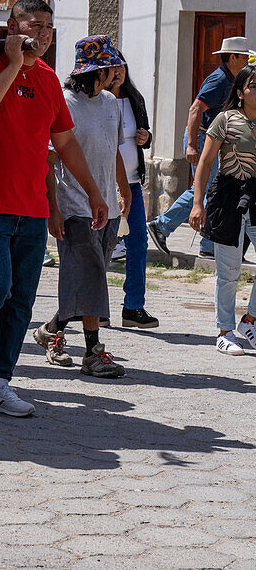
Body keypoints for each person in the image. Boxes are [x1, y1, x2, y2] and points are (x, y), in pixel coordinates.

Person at [0, 0, 107, 417]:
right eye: (36, 24)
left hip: (30, 206)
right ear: (12, 25)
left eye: (50, 26)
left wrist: (93, 192)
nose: (45, 33)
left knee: (20, 298)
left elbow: (64, 142)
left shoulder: (48, 78)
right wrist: (14, 65)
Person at [36, 37, 132, 378]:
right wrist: (53, 209)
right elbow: (49, 160)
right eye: (111, 68)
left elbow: (114, 149)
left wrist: (124, 188)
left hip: (107, 206)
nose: (117, 73)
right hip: (75, 206)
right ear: (97, 71)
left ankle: (52, 328)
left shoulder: (109, 102)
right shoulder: (64, 102)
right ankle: (93, 353)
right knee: (91, 278)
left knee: (90, 280)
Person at [148, 37, 252, 257]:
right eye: (244, 57)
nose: (247, 60)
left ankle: (201, 242)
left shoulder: (232, 78)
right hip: (204, 138)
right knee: (206, 190)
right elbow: (195, 110)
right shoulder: (219, 80)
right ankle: (166, 228)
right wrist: (192, 145)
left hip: (212, 139)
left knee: (205, 190)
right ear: (233, 58)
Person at [190, 64, 256, 355]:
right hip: (228, 197)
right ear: (240, 92)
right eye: (253, 85)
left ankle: (249, 321)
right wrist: (197, 203)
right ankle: (225, 331)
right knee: (229, 271)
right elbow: (205, 162)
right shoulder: (225, 119)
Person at [106, 53, 159, 328]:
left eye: (121, 68)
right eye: (111, 69)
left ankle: (133, 307)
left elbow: (145, 135)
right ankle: (97, 310)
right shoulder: (98, 101)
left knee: (137, 243)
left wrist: (145, 137)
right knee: (100, 247)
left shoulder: (135, 99)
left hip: (132, 185)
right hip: (103, 185)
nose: (117, 73)